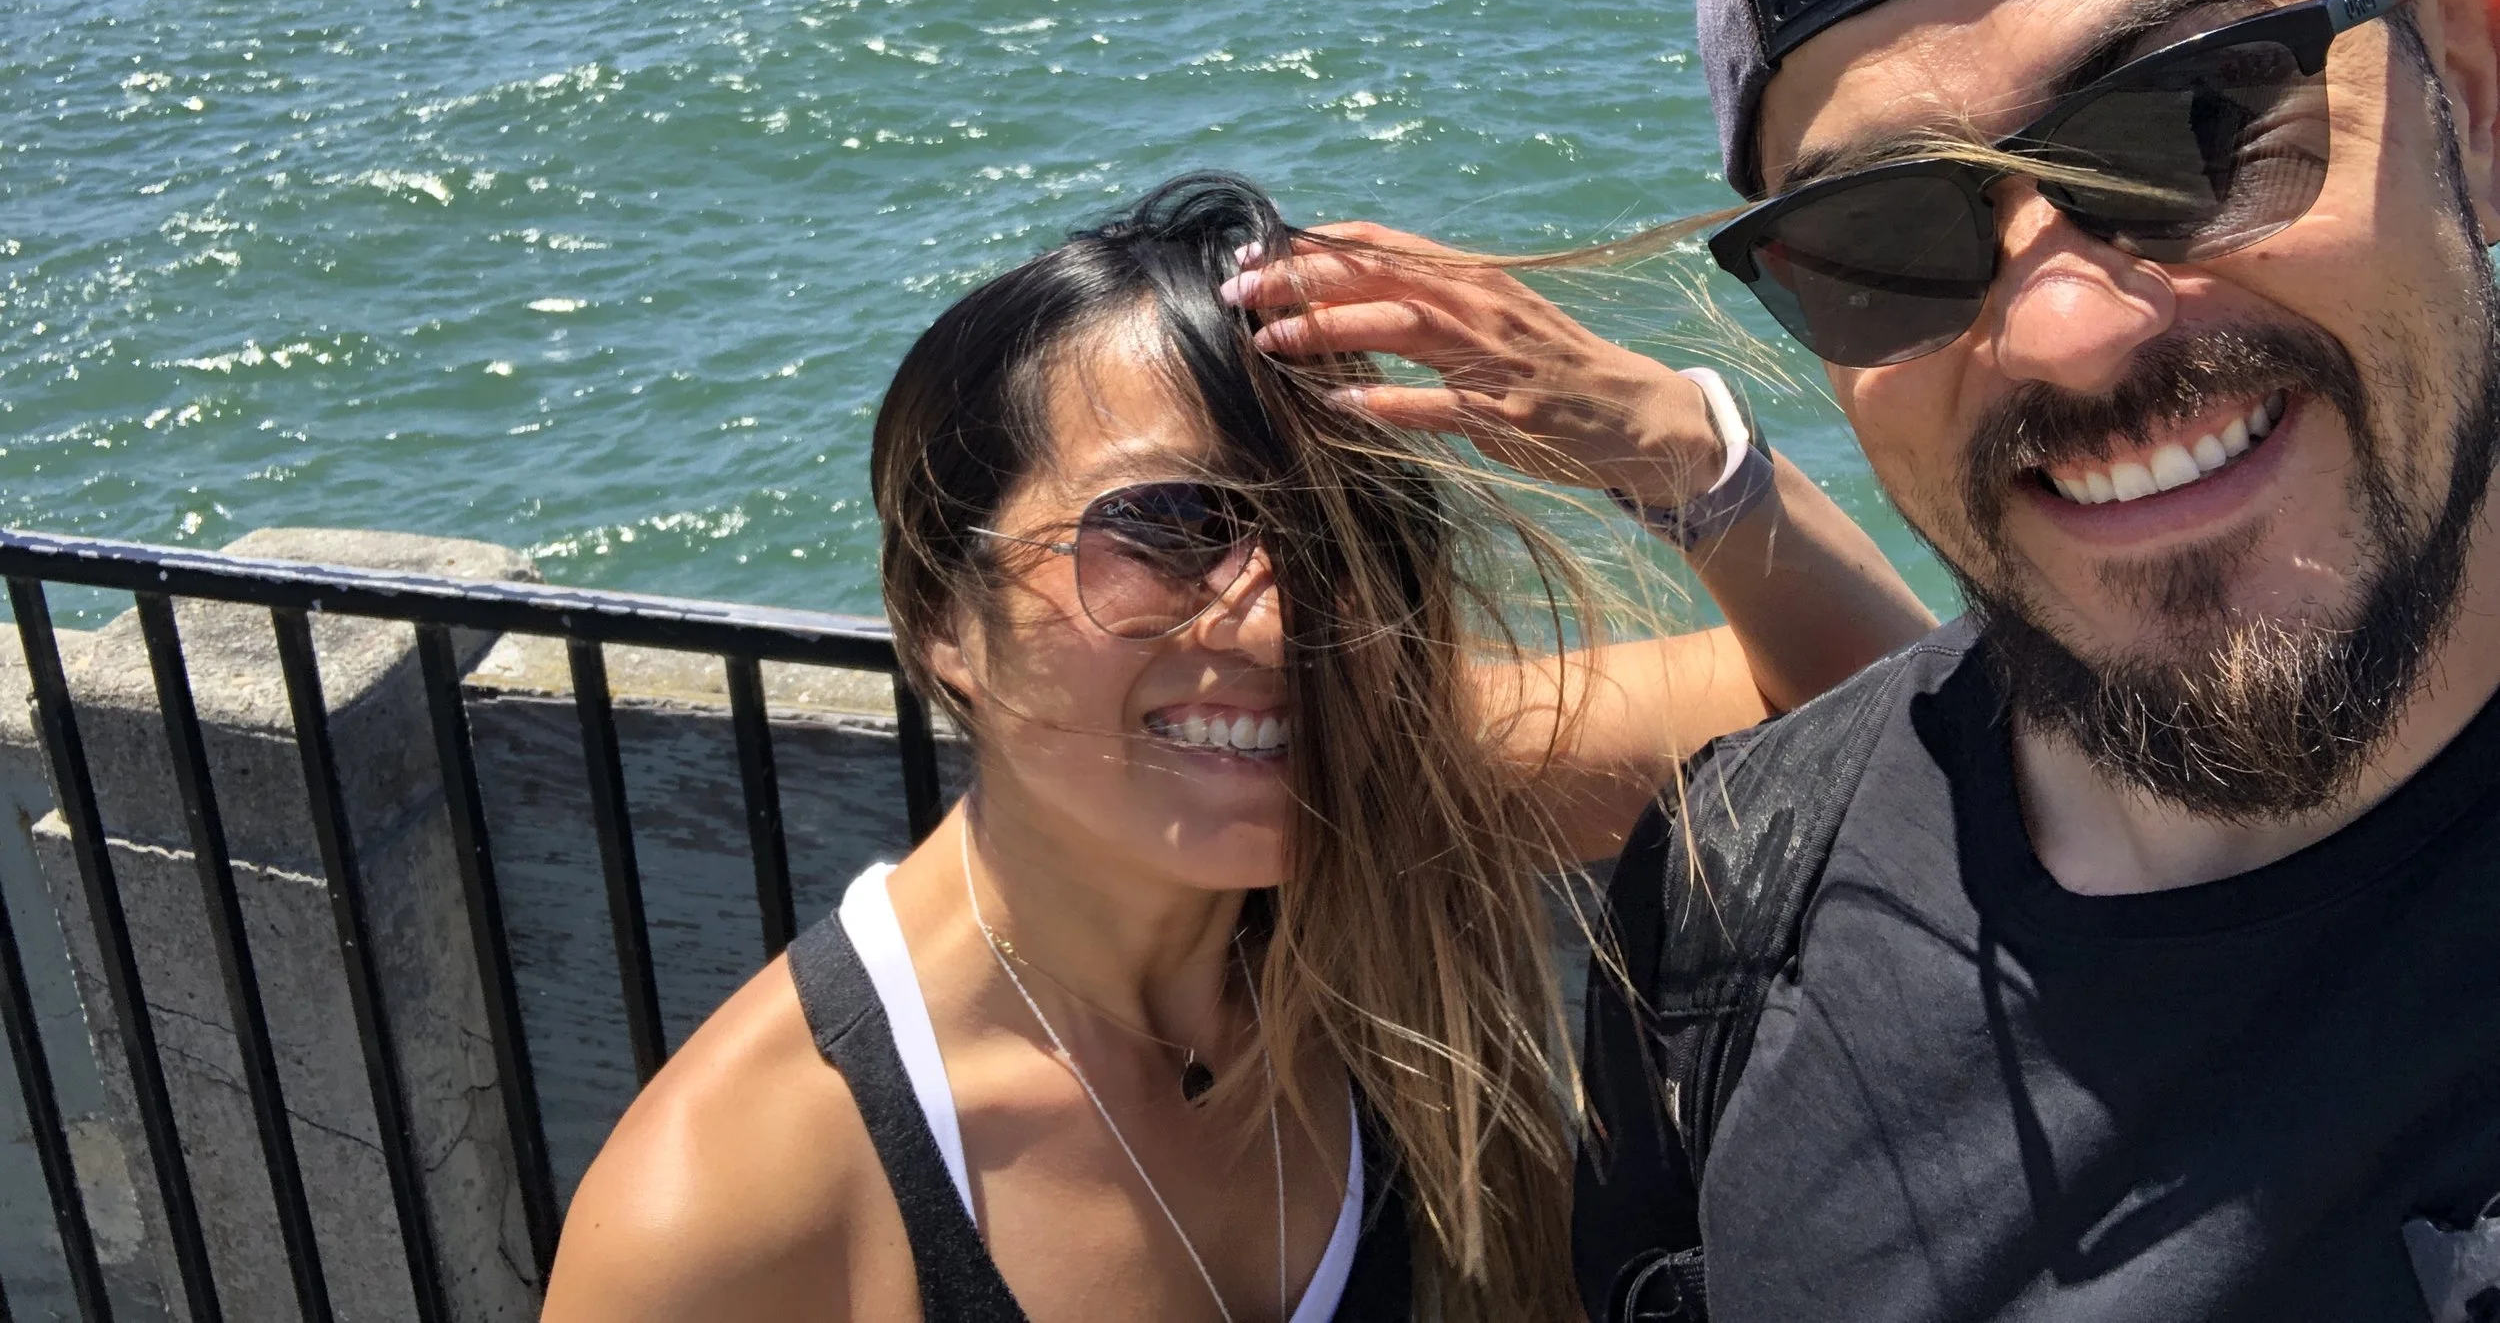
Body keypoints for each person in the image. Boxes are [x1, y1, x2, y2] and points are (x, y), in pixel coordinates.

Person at [1233, 0, 2500, 1321]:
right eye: (1887, 238)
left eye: (2192, 122)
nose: (2066, 330)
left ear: (2472, 97)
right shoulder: (1729, 911)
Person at [543, 172, 1930, 1323]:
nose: (1277, 621)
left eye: (1341, 536)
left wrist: (1685, 455)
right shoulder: (732, 1209)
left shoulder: (1379, 797)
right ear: (941, 617)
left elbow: (1881, 714)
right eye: (1164, 525)